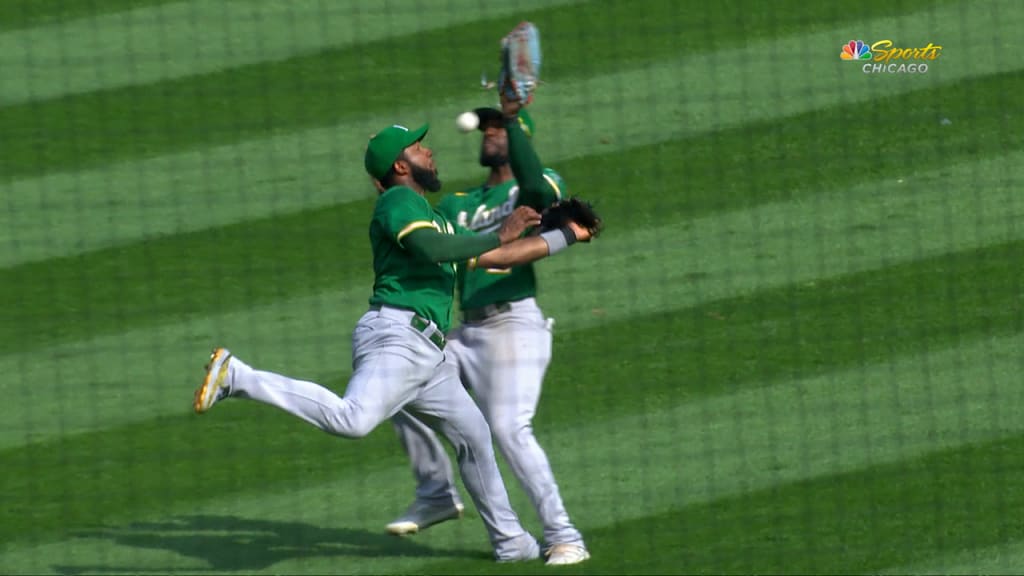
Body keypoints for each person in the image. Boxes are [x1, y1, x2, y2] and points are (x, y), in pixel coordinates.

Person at [191, 108, 593, 562]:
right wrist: (495, 234)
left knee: (475, 438)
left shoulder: (435, 216)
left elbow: (498, 258)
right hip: (397, 338)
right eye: (420, 147)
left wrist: (568, 236)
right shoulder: (397, 204)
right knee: (353, 419)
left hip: (433, 357)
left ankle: (513, 543)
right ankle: (238, 376)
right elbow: (431, 248)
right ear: (402, 166)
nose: (430, 151)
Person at [386, 95, 590, 566]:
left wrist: (514, 121)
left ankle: (564, 536)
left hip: (514, 326)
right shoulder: (458, 203)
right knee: (394, 381)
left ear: (521, 136)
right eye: (488, 128)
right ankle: (436, 492)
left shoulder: (535, 188)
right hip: (465, 331)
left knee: (508, 428)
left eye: (500, 128)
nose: (490, 133)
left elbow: (538, 189)